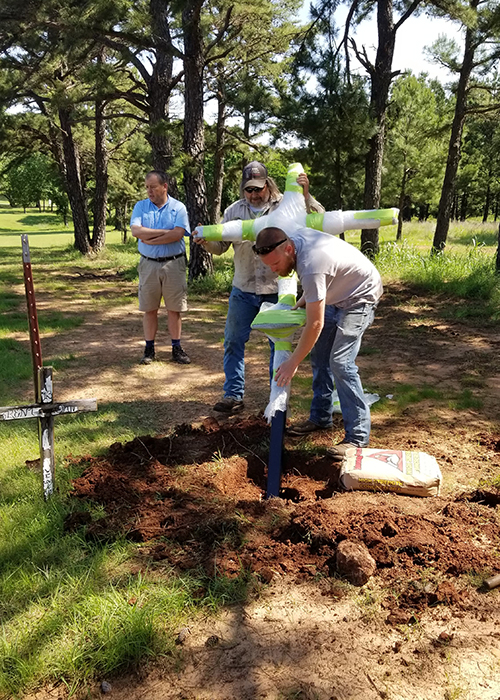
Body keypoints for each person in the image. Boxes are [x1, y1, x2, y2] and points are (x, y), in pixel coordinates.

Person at [196, 161, 323, 414]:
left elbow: (318, 218)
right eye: (248, 190)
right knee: (233, 341)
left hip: (279, 290)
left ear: (268, 184)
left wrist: (306, 195)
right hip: (243, 289)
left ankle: (276, 400)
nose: (254, 194)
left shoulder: (287, 203)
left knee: (278, 346)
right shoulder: (234, 211)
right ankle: (233, 395)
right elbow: (220, 246)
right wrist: (205, 243)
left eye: (258, 189)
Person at [253, 225, 383, 458]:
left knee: (341, 363)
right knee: (320, 356)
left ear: (289, 248)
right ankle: (321, 417)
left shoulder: (311, 264)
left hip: (360, 297)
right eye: (268, 265)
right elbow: (323, 280)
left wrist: (292, 363)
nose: (273, 270)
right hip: (338, 293)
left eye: (275, 264)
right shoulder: (296, 240)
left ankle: (357, 437)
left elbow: (315, 324)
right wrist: (304, 300)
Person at [131, 170, 191, 365]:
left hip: (174, 263)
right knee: (149, 308)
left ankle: (176, 348)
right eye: (147, 187)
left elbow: (178, 234)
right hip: (148, 264)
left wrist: (150, 238)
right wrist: (165, 232)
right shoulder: (141, 207)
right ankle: (149, 349)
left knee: (174, 309)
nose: (149, 191)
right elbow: (136, 231)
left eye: (153, 187)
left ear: (164, 186)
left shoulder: (178, 208)